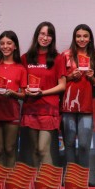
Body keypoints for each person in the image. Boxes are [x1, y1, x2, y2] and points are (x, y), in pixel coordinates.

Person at [21, 22, 67, 167]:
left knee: (43, 149)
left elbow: (62, 86)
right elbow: (22, 84)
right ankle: (37, 181)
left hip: (48, 108)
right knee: (34, 150)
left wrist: (43, 93)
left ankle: (49, 181)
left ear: (53, 38)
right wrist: (26, 90)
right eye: (42, 34)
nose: (45, 38)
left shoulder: (58, 58)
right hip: (30, 108)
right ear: (37, 35)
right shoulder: (25, 58)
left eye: (49, 35)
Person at [0, 31, 27, 167]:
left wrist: (13, 94)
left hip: (12, 113)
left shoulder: (21, 68)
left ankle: (10, 179)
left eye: (9, 43)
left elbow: (24, 95)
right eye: (2, 43)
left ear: (15, 46)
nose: (5, 46)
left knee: (9, 149)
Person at [62, 24, 95, 168]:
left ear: (90, 39)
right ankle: (71, 176)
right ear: (74, 38)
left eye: (85, 36)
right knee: (69, 143)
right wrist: (71, 76)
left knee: (84, 145)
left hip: (86, 106)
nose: (81, 39)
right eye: (78, 36)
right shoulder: (66, 55)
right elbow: (58, 81)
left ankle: (83, 176)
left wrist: (92, 78)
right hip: (68, 106)